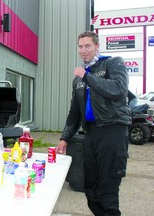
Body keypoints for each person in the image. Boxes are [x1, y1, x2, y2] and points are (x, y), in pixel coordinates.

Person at [55, 31, 131, 216]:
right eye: (80, 46)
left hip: (113, 130)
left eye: (87, 45)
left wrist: (87, 77)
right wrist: (65, 138)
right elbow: (75, 112)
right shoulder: (78, 79)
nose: (83, 50)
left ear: (97, 46)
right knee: (89, 185)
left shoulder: (112, 63)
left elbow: (118, 89)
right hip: (91, 133)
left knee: (108, 185)